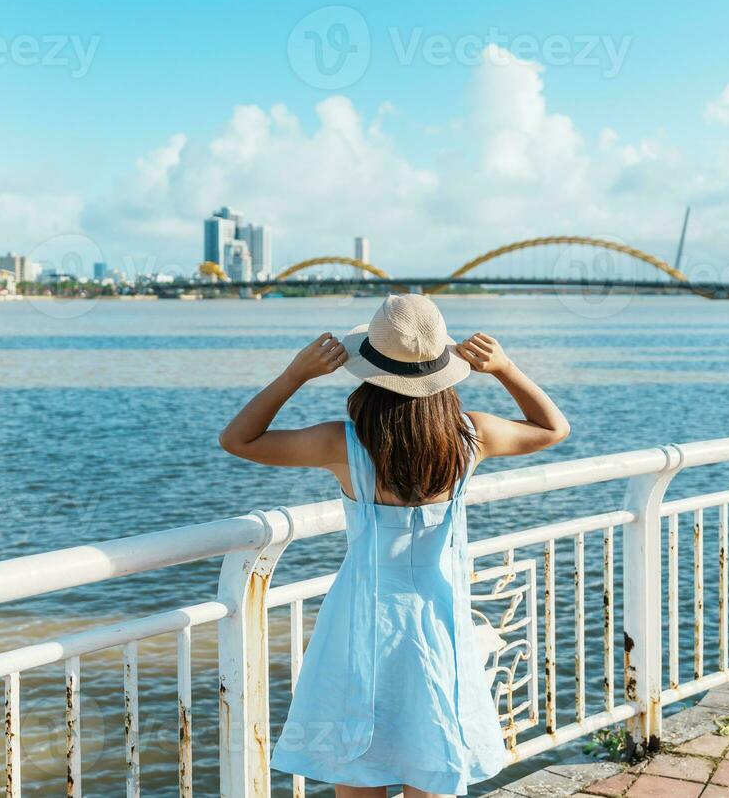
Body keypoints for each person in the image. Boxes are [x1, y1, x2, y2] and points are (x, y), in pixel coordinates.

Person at [219, 293, 570, 797]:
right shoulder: (471, 436)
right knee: (434, 763)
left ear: (369, 372)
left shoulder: (345, 445)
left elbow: (239, 440)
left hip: (360, 625)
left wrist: (295, 374)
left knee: (360, 766)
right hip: (439, 624)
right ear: (444, 369)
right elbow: (554, 428)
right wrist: (506, 368)